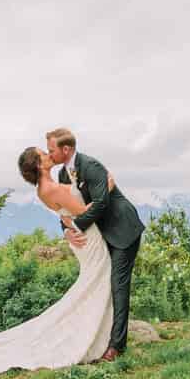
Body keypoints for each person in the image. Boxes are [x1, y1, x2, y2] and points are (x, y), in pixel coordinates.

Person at [0, 147, 114, 378]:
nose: (49, 154)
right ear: (39, 164)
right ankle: (92, 337)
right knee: (96, 283)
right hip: (89, 239)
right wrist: (106, 190)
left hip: (80, 239)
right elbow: (86, 212)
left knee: (93, 285)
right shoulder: (51, 187)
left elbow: (66, 216)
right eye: (43, 154)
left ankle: (98, 335)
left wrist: (68, 229)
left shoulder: (43, 189)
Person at [45, 127, 143, 361]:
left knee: (118, 286)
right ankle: (98, 337)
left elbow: (100, 204)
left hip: (122, 230)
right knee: (100, 284)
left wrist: (76, 227)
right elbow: (65, 210)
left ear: (66, 149)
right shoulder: (62, 176)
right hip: (99, 236)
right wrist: (68, 231)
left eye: (52, 150)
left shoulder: (92, 166)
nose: (49, 155)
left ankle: (116, 347)